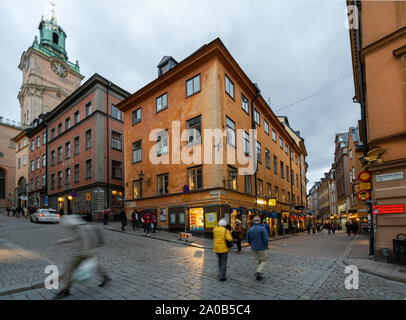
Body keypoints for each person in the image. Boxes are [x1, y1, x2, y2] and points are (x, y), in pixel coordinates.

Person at [53, 215, 111, 299]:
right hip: (86, 252)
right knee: (95, 265)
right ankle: (105, 277)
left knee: (70, 269)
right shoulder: (77, 227)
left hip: (84, 253)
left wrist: (84, 253)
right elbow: (74, 238)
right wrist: (60, 242)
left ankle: (66, 290)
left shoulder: (79, 228)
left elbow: (87, 240)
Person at [247, 216, 269, 281]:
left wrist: (251, 244)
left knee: (256, 260)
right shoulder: (262, 229)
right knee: (264, 260)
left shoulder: (250, 229)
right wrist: (265, 245)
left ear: (253, 221)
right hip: (262, 247)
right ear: (259, 221)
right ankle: (259, 271)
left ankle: (257, 272)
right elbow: (266, 239)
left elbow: (248, 239)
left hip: (254, 247)